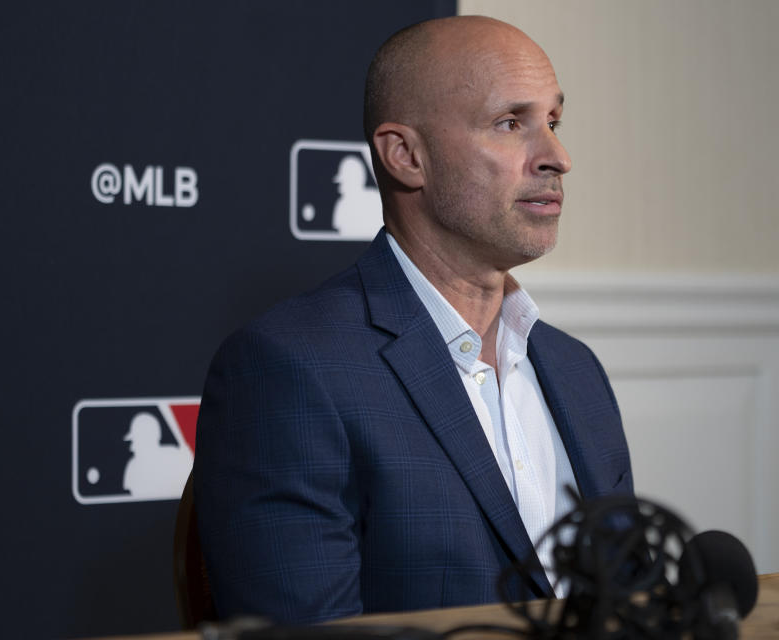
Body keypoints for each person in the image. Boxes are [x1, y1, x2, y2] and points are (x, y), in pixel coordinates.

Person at [194, 16, 633, 624]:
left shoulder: (575, 369)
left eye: (553, 122)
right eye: (511, 123)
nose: (558, 157)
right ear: (406, 156)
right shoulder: (286, 371)